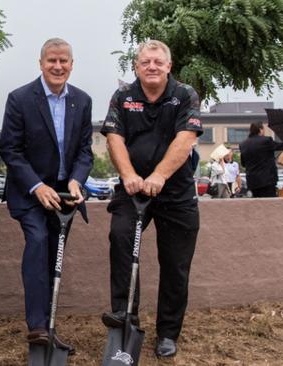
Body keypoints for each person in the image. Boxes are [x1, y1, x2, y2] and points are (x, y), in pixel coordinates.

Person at [100, 40, 203, 358]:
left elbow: (185, 139)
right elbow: (114, 138)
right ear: (136, 66)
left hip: (176, 192)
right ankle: (125, 316)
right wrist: (129, 175)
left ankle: (168, 333)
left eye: (158, 62)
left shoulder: (185, 94)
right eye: (145, 62)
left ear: (169, 66)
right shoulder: (123, 96)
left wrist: (159, 175)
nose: (152, 67)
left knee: (175, 265)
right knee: (120, 237)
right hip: (132, 191)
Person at [0, 38, 92, 351]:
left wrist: (77, 180)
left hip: (66, 194)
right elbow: (10, 149)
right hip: (30, 193)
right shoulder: (20, 98)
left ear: (72, 64)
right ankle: (37, 326)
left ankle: (48, 327)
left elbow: (84, 151)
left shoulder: (82, 100)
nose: (58, 66)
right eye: (52, 60)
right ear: (41, 63)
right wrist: (37, 186)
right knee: (38, 241)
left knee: (55, 255)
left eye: (64, 61)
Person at [239, 122, 283, 198]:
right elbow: (279, 146)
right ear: (260, 130)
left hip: (252, 182)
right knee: (269, 205)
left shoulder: (243, 144)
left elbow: (243, 163)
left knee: (256, 205)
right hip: (267, 181)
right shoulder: (266, 140)